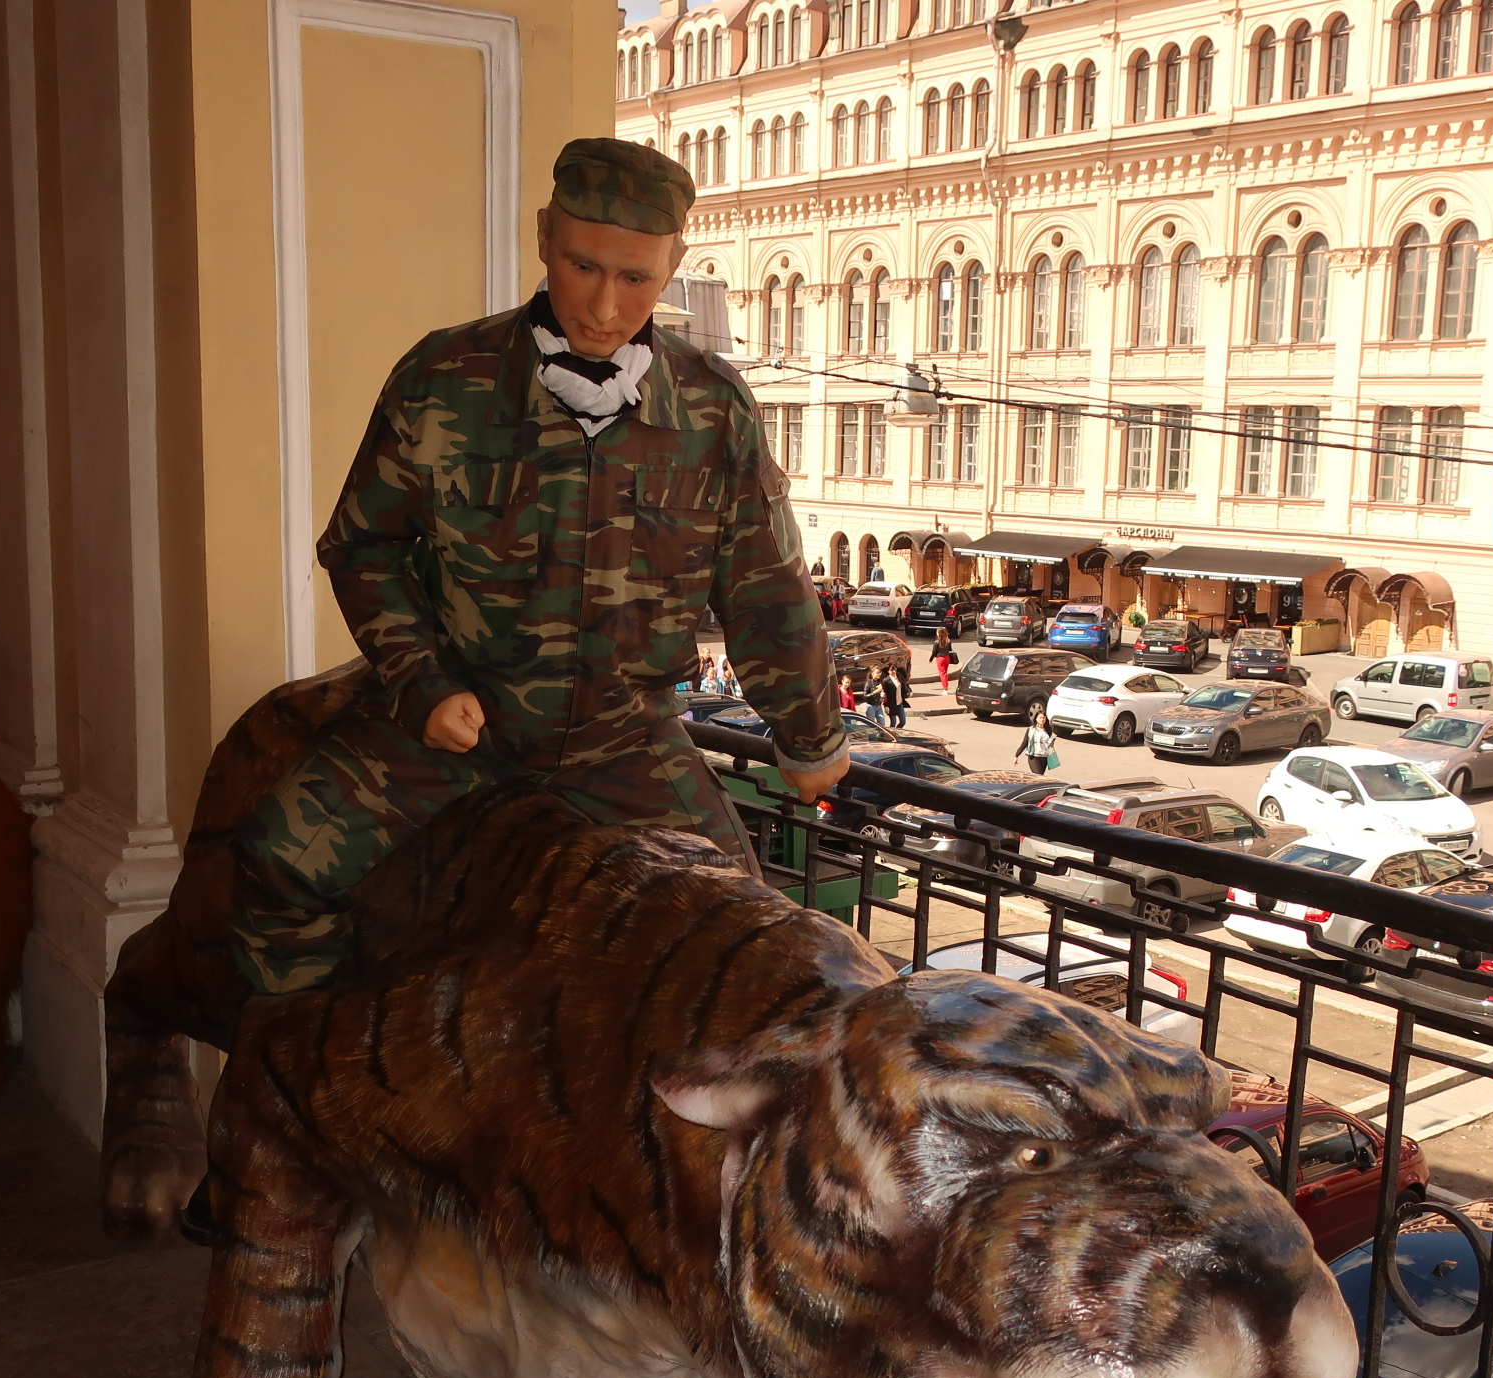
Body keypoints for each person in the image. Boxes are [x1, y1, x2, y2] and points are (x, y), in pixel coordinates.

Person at [228, 137, 849, 995]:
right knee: (275, 868)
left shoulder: (714, 408)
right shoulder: (443, 378)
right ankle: (317, 1063)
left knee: (739, 951)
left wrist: (808, 736)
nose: (604, 304)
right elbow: (364, 547)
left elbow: (766, 587)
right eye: (582, 265)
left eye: (635, 277)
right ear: (543, 237)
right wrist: (422, 683)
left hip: (625, 744)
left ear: (672, 268)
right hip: (459, 731)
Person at [1016, 710, 1058, 775]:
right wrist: (1017, 755)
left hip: (1044, 757)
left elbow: (1049, 743)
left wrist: (1051, 743)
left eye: (1044, 718)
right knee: (1038, 774)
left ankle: (1032, 781)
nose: (1042, 719)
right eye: (1040, 718)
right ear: (1036, 719)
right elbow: (1024, 743)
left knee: (1040, 776)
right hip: (1034, 757)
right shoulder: (1031, 730)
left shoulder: (1048, 730)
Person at [885, 661, 910, 727]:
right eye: (891, 670)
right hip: (891, 704)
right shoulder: (886, 681)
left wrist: (909, 691)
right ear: (888, 671)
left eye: (894, 669)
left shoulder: (899, 676)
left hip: (899, 703)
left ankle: (897, 731)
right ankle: (892, 732)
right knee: (893, 722)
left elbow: (905, 684)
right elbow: (885, 694)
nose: (893, 671)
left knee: (903, 721)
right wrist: (886, 705)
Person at [932, 627, 956, 692]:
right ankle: (946, 686)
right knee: (945, 672)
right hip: (947, 657)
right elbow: (950, 649)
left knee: (942, 673)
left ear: (939, 633)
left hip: (940, 658)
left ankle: (945, 688)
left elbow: (934, 652)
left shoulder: (937, 642)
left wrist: (931, 659)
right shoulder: (948, 641)